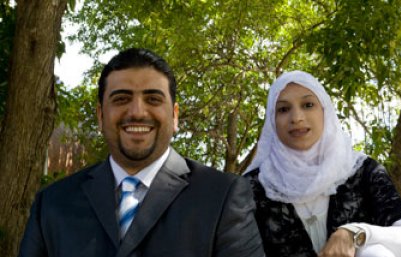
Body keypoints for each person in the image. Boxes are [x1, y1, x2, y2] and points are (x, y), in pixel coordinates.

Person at [19, 48, 264, 257]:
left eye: (153, 99)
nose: (137, 111)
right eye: (121, 99)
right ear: (100, 115)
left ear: (175, 115)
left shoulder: (223, 197)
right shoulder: (52, 204)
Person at [244, 70, 401, 257]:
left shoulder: (362, 171)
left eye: (308, 105)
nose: (296, 117)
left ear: (325, 111)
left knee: (374, 252)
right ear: (272, 120)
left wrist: (357, 234)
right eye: (283, 109)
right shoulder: (252, 188)